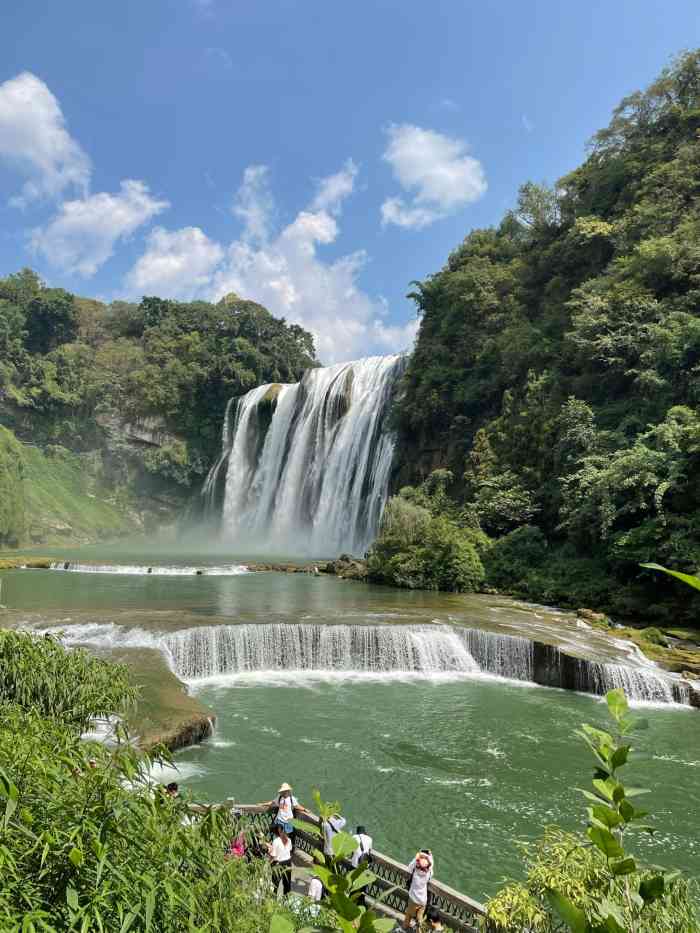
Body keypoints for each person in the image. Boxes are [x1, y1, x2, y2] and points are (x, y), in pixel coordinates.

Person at [402, 849, 433, 929]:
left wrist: (418, 856)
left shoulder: (416, 871)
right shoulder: (428, 873)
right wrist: (429, 856)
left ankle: (404, 928)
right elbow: (431, 865)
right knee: (419, 919)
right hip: (423, 900)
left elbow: (409, 868)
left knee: (408, 915)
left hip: (414, 899)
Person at [268, 823, 293, 897]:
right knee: (287, 884)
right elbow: (289, 850)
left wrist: (268, 863)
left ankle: (273, 900)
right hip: (288, 863)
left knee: (275, 884)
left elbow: (273, 856)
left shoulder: (276, 841)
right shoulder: (288, 839)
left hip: (278, 864)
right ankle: (286, 900)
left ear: (275, 832)